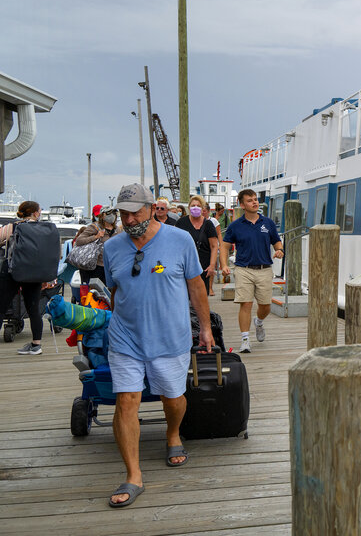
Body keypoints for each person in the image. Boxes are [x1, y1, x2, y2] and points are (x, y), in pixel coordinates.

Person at [103, 183, 213, 508]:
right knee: (126, 402)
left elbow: (196, 288)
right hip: (125, 338)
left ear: (153, 208)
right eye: (123, 213)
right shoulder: (111, 248)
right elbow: (115, 293)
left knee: (173, 398)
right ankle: (133, 474)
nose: (129, 218)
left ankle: (172, 434)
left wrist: (205, 329)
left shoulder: (180, 240)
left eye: (135, 211)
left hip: (170, 337)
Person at [219, 189, 283, 353]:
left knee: (265, 306)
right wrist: (224, 265)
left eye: (255, 199)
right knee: (245, 304)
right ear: (242, 204)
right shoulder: (235, 226)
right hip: (243, 269)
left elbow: (277, 242)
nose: (254, 202)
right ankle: (245, 340)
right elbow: (225, 247)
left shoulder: (267, 223)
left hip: (264, 269)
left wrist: (280, 250)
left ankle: (259, 322)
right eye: (250, 200)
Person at [0, 201, 48, 355]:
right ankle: (36, 345)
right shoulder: (44, 229)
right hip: (34, 273)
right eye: (39, 210)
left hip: (13, 271)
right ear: (35, 213)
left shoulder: (13, 226)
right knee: (33, 309)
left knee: (1, 307)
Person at [174, 195, 219, 295]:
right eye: (193, 205)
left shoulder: (208, 224)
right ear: (189, 207)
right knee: (184, 295)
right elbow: (175, 243)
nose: (195, 207)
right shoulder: (181, 222)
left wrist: (212, 266)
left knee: (201, 296)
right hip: (184, 265)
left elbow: (214, 246)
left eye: (198, 206)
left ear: (203, 209)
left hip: (203, 266)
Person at [73, 205, 120, 299]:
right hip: (97, 267)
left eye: (114, 213)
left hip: (112, 267)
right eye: (109, 213)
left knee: (110, 294)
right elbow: (79, 240)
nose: (112, 215)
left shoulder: (117, 230)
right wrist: (96, 237)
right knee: (96, 294)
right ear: (102, 215)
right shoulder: (94, 227)